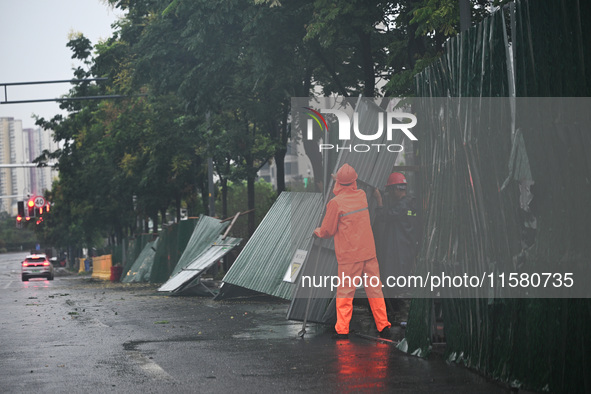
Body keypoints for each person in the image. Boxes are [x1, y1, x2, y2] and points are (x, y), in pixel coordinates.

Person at [314, 163, 392, 339]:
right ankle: (383, 325)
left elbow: (327, 231)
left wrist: (317, 231)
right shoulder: (362, 196)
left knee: (345, 293)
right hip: (368, 253)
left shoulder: (335, 203)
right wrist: (341, 180)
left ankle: (342, 330)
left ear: (339, 184)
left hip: (350, 256)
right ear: (354, 181)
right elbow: (349, 187)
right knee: (375, 290)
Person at [372, 172, 420, 294]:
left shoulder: (401, 206)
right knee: (402, 276)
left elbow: (384, 216)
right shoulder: (411, 203)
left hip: (398, 248)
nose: (391, 194)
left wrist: (379, 200)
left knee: (394, 277)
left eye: (391, 190)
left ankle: (396, 303)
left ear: (396, 189)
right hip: (407, 246)